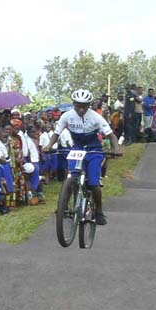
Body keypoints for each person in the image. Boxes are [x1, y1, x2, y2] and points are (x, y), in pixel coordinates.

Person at [45, 89, 123, 225]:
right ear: (73, 103)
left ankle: (98, 211)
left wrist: (116, 148)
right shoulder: (67, 116)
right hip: (77, 148)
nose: (81, 109)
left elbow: (111, 135)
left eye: (84, 106)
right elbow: (56, 134)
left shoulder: (96, 117)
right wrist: (49, 145)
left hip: (94, 150)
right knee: (72, 176)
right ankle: (65, 205)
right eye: (78, 105)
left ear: (89, 105)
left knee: (93, 183)